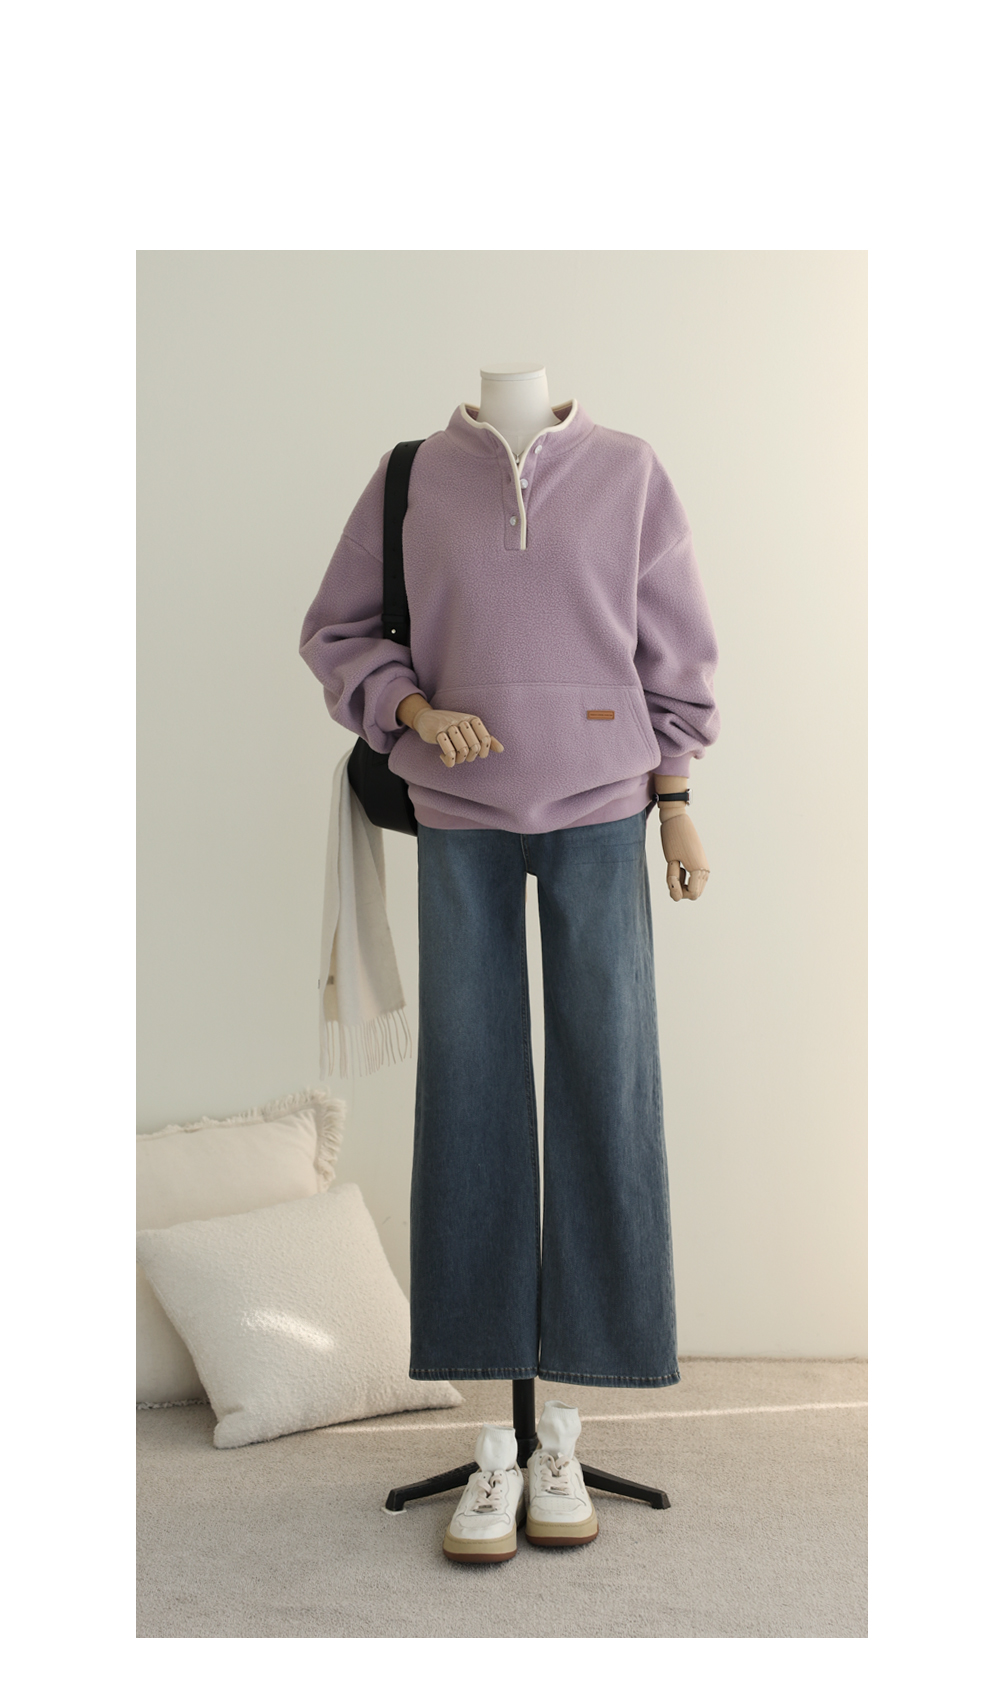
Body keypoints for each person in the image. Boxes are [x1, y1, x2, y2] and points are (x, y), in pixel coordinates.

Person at [299, 363, 720, 1558]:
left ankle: (573, 1410)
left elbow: (674, 652)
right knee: (470, 1091)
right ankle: (498, 1418)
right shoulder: (410, 475)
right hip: (458, 810)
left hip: (603, 805)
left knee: (609, 1083)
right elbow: (336, 631)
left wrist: (676, 803)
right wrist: (414, 711)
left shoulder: (629, 470)